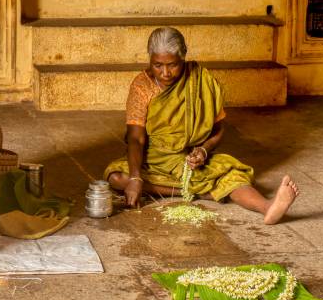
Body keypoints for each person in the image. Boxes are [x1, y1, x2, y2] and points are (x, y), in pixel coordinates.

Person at [104, 27, 299, 225]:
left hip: (188, 159)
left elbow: (218, 130)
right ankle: (203, 191)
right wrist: (136, 179)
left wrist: (203, 151)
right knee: (117, 176)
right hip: (152, 158)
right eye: (157, 65)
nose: (165, 73)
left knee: (231, 175)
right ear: (150, 60)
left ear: (183, 58)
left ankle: (267, 207)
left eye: (172, 65)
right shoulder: (141, 86)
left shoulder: (201, 81)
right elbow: (136, 138)